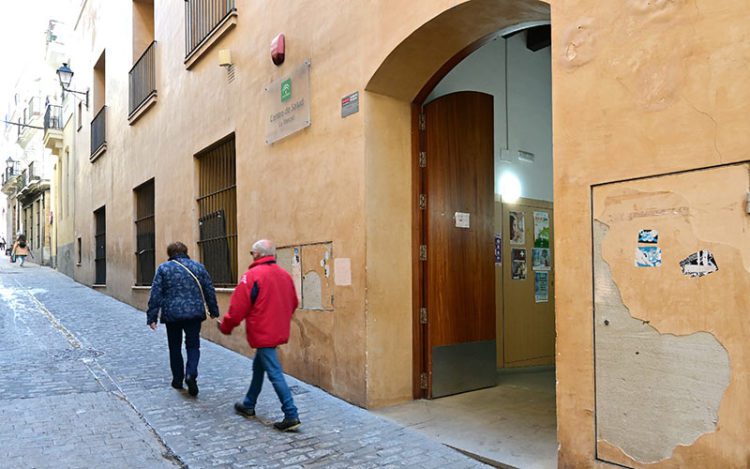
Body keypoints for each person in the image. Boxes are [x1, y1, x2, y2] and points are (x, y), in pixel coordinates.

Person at [218, 239, 301, 431]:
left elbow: (238, 307)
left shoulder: (252, 276)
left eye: (251, 253)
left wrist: (226, 326)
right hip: (277, 329)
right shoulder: (284, 275)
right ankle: (249, 404)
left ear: (257, 254)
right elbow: (293, 302)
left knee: (274, 372)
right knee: (259, 368)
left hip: (262, 331)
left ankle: (291, 413)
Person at [146, 241, 219, 396]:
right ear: (186, 251)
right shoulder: (198, 267)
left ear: (169, 253)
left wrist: (152, 317)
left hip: (172, 314)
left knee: (175, 347)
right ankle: (191, 373)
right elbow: (209, 289)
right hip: (194, 313)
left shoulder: (164, 268)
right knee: (193, 345)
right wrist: (213, 310)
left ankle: (177, 380)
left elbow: (156, 293)